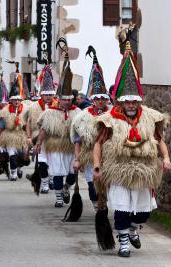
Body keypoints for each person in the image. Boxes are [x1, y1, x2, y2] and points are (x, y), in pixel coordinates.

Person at [93, 41, 171, 257]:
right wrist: (98, 166)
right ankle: (124, 243)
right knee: (121, 208)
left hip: (143, 170)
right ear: (120, 101)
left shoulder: (149, 117)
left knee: (142, 213)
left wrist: (165, 158)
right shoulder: (109, 120)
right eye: (127, 102)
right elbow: (98, 144)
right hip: (119, 169)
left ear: (138, 102)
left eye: (134, 102)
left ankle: (133, 229)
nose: (130, 105)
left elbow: (159, 139)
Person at [35, 38, 81, 207]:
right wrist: (38, 144)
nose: (66, 103)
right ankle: (59, 198)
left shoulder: (77, 112)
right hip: (55, 146)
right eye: (63, 100)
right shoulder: (50, 113)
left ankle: (66, 188)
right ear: (58, 99)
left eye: (69, 99)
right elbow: (44, 130)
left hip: (70, 146)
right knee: (57, 173)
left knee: (70, 175)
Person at [71, 46, 111, 210]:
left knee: (108, 185)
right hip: (88, 154)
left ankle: (105, 203)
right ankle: (97, 205)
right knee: (92, 185)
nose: (100, 101)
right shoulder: (83, 116)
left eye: (103, 98)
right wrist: (77, 158)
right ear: (93, 99)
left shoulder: (112, 114)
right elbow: (77, 140)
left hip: (108, 155)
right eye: (97, 99)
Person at [24, 64, 57, 193]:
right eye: (46, 94)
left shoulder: (58, 105)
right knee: (42, 162)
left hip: (54, 140)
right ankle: (44, 183)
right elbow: (28, 123)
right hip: (39, 139)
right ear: (41, 95)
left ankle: (51, 179)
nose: (48, 97)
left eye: (50, 94)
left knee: (54, 164)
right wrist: (28, 137)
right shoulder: (33, 107)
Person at [0, 71, 28, 181]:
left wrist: (29, 136)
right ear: (11, 100)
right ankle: (13, 173)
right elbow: (0, 126)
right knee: (12, 154)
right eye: (15, 99)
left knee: (23, 156)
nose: (17, 101)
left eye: (19, 99)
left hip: (21, 136)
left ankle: (19, 167)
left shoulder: (26, 110)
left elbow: (29, 125)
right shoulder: (5, 111)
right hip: (9, 136)